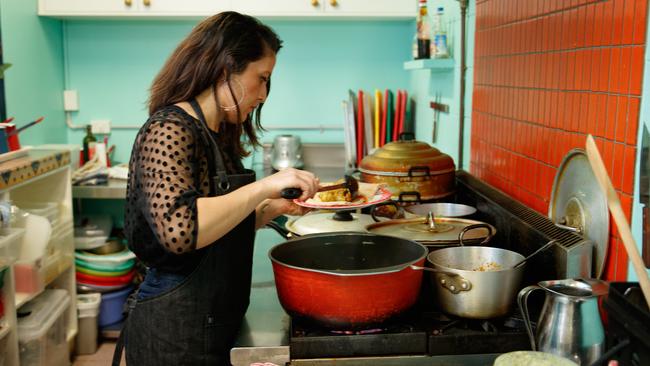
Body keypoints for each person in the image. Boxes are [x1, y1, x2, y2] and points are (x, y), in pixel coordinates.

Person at [112, 12, 319, 365]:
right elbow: (181, 232)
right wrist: (266, 186)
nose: (264, 94)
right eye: (262, 78)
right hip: (173, 327)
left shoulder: (215, 133)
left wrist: (271, 209)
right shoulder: (169, 129)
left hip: (212, 317)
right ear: (226, 70)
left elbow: (217, 227)